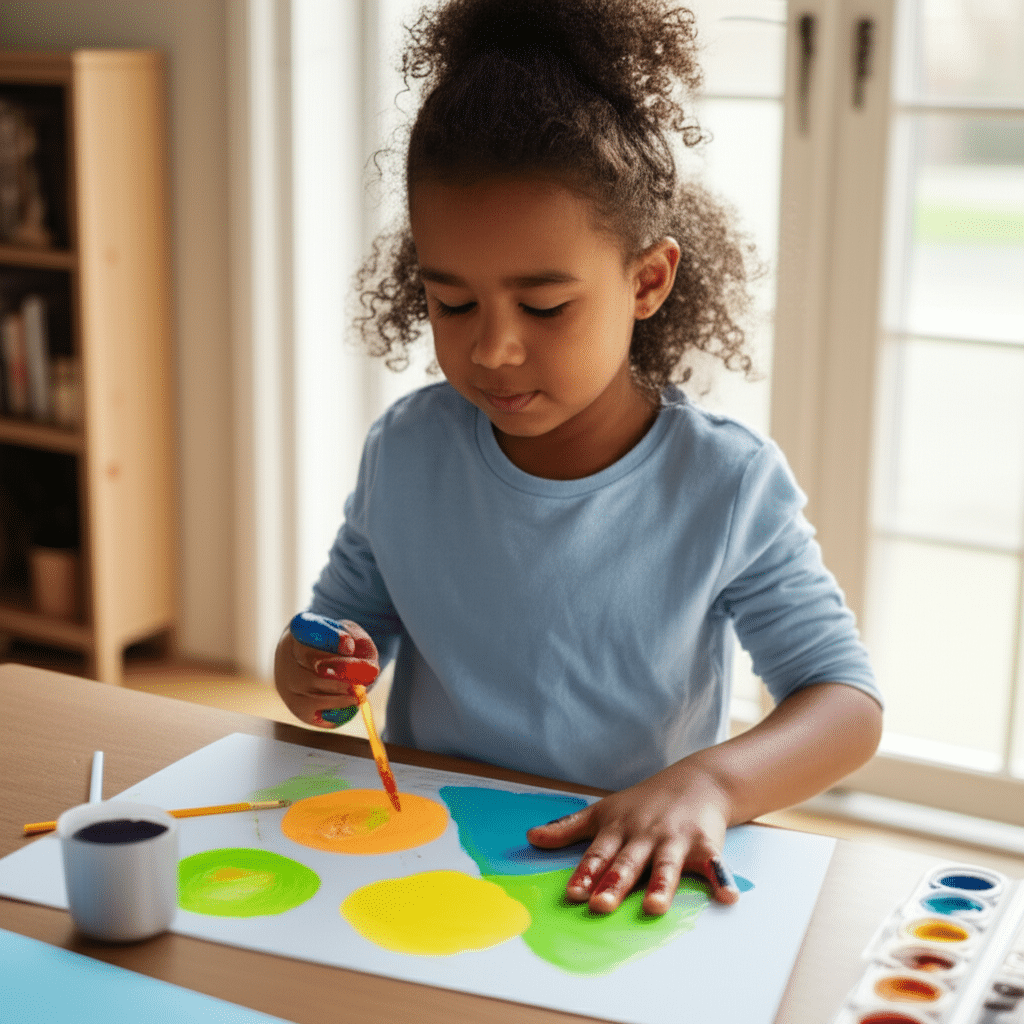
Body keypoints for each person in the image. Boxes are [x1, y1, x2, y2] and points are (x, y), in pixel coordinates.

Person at [275, 0, 883, 918]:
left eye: (545, 306)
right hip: (429, 860)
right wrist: (313, 674)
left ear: (648, 281)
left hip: (618, 875)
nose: (493, 350)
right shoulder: (404, 452)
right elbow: (338, 641)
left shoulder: (726, 484)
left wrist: (710, 786)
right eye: (453, 303)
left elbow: (844, 703)